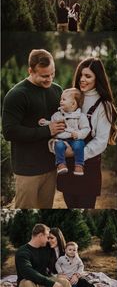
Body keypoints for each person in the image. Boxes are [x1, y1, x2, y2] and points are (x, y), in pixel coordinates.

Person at [2, 49, 65, 209]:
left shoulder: (57, 90)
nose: (49, 79)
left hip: (51, 167)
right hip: (27, 170)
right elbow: (9, 131)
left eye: (52, 74)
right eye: (44, 76)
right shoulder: (16, 95)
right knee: (26, 212)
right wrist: (47, 130)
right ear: (30, 71)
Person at [57, 57, 117, 208]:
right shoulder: (71, 98)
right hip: (67, 165)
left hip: (87, 166)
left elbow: (101, 141)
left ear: (98, 78)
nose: (82, 80)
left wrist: (76, 153)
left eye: (88, 76)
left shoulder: (104, 105)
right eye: (80, 76)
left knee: (84, 207)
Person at [46, 88, 90, 176]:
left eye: (64, 99)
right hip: (61, 139)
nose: (61, 101)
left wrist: (78, 134)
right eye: (61, 99)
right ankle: (61, 164)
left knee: (79, 145)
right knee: (58, 145)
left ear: (73, 104)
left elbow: (86, 129)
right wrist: (45, 123)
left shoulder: (80, 116)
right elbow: (52, 124)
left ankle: (79, 165)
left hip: (74, 139)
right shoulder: (57, 115)